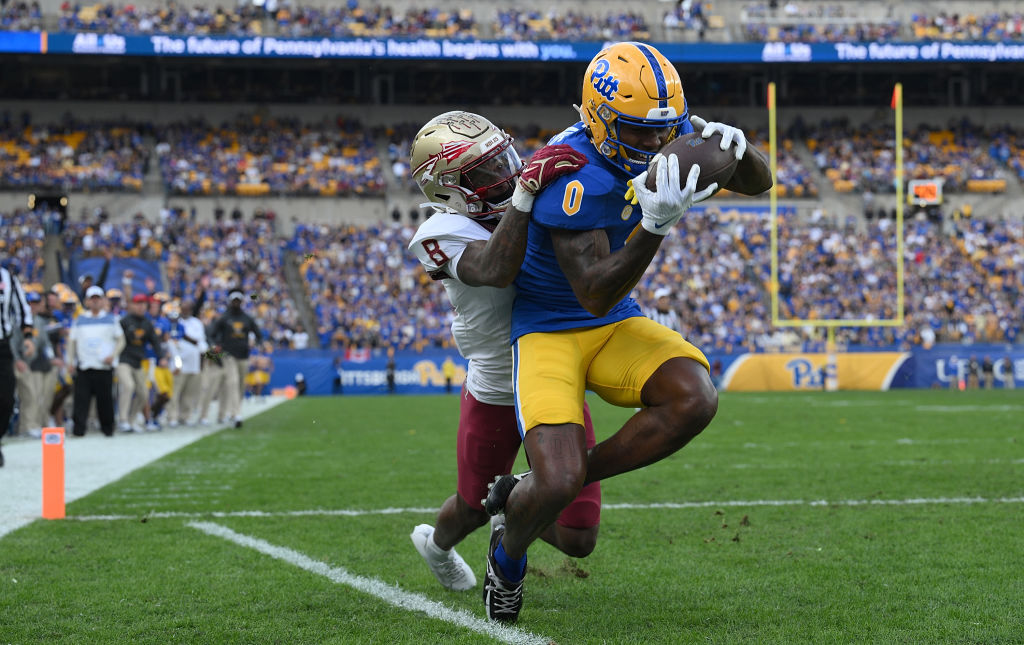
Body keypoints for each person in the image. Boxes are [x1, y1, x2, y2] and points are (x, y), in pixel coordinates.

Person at [479, 42, 770, 622]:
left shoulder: (662, 125)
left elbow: (757, 183)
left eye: (664, 131)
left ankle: (537, 484)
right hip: (552, 330)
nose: (655, 143)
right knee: (556, 485)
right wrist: (656, 224)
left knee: (694, 398)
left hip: (612, 326)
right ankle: (506, 556)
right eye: (637, 132)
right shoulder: (572, 172)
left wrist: (737, 146)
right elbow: (593, 290)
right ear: (598, 117)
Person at [406, 110, 596, 594]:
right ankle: (437, 547)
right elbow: (496, 268)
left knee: (578, 537)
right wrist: (530, 196)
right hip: (495, 380)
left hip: (554, 368)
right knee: (471, 505)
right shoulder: (439, 232)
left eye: (504, 159)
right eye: (487, 171)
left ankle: (513, 505)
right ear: (448, 189)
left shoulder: (528, 198)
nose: (507, 173)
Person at [67, 286, 125, 437]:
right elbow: (72, 342)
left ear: (103, 301)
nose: (95, 302)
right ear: (87, 301)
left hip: (103, 366)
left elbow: (121, 340)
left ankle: (108, 429)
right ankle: (79, 430)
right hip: (85, 366)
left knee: (105, 401)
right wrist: (70, 362)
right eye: (92, 299)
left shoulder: (111, 319)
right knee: (81, 401)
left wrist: (113, 355)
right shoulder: (79, 319)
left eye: (97, 299)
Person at [209, 291, 261, 428]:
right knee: (232, 382)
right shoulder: (225, 318)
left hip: (243, 355)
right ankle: (236, 414)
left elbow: (258, 334)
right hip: (228, 355)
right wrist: (215, 346)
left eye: (238, 301)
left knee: (240, 385)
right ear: (230, 302)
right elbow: (212, 334)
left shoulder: (246, 318)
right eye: (234, 301)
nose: (236, 303)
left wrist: (255, 343)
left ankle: (232, 412)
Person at [12, 291, 59, 437]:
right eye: (30, 303)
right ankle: (27, 426)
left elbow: (45, 344)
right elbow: (11, 344)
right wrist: (17, 360)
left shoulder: (38, 321)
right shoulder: (17, 320)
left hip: (31, 363)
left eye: (36, 303)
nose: (33, 306)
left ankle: (33, 424)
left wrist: (51, 357)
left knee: (37, 395)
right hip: (18, 363)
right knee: (30, 395)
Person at [1, 264, 34, 466]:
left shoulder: (7, 277)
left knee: (6, 399)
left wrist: (28, 336)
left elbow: (23, 309)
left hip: (2, 346)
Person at [117, 293, 163, 432]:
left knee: (144, 392)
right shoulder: (124, 321)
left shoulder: (147, 323)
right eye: (138, 303)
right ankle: (123, 420)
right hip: (123, 359)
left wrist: (161, 357)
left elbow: (155, 341)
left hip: (138, 361)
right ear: (132, 305)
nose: (141, 306)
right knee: (128, 386)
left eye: (143, 304)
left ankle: (131, 420)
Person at [166, 300, 206, 426]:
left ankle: (185, 416)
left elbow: (200, 341)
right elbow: (172, 340)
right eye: (183, 308)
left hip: (194, 361)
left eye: (188, 308)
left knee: (190, 392)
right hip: (179, 360)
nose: (185, 311)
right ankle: (172, 416)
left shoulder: (196, 322)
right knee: (175, 390)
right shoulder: (175, 322)